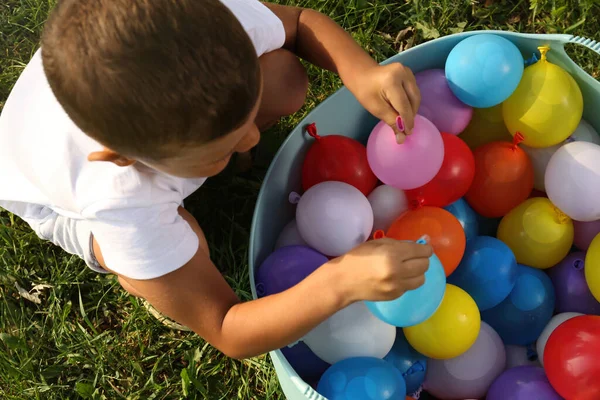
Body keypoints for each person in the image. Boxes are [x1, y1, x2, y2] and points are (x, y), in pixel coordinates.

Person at [0, 0, 432, 359]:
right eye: (222, 147)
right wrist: (340, 282)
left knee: (284, 79)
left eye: (245, 122)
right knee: (168, 252)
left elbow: (299, 23)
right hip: (54, 200)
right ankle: (140, 275)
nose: (255, 135)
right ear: (127, 159)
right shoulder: (120, 205)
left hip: (95, 129)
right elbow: (228, 330)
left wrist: (360, 70)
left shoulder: (208, 28)